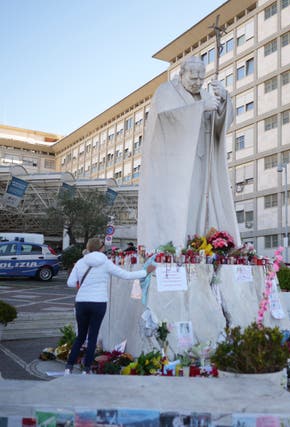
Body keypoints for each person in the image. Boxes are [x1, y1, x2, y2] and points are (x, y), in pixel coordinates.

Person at [137, 56, 239, 250]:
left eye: (201, 79)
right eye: (193, 79)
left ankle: (198, 246)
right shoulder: (166, 91)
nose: (198, 83)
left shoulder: (204, 95)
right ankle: (175, 247)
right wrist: (200, 108)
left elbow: (219, 125)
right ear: (181, 74)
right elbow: (166, 119)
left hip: (201, 162)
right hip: (176, 168)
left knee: (200, 207)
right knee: (181, 206)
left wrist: (224, 100)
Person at [65, 237, 156, 374]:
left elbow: (70, 283)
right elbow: (125, 275)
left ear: (88, 248)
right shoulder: (105, 263)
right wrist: (145, 272)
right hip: (99, 303)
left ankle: (68, 367)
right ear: (101, 248)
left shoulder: (80, 262)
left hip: (82, 302)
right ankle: (87, 370)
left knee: (81, 336)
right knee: (93, 336)